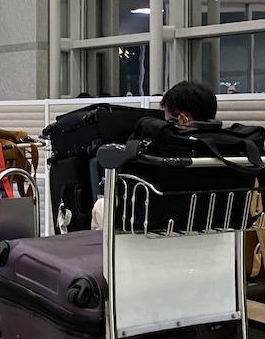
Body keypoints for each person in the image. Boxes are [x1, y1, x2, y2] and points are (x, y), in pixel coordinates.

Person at [90, 81, 217, 229]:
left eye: (167, 120)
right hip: (217, 223)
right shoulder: (229, 149)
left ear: (182, 119)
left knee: (101, 206)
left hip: (163, 224)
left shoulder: (163, 151)